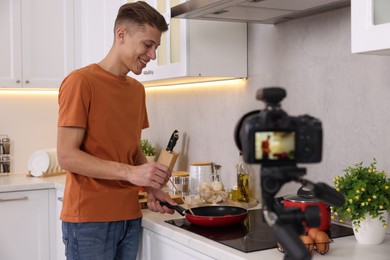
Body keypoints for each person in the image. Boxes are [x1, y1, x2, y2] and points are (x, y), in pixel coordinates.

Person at [57, 2, 176, 259]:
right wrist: (132, 173)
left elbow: (131, 151)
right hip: (89, 221)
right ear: (121, 34)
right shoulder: (81, 82)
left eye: (156, 47)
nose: (153, 55)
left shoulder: (137, 91)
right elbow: (66, 156)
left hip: (129, 218)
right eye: (147, 45)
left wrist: (152, 187)